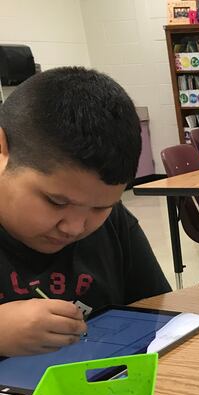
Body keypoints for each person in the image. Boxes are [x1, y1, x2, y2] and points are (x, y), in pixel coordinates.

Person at [0, 67, 171, 357]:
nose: (75, 227)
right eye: (55, 201)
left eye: (101, 207)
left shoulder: (113, 225)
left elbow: (155, 316)